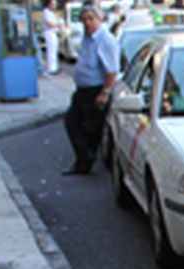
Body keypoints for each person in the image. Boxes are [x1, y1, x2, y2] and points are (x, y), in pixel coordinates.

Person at [63, 3, 119, 175]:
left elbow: (112, 70)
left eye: (90, 19)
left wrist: (105, 92)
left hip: (95, 91)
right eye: (84, 19)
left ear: (99, 19)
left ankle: (85, 161)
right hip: (82, 90)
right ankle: (84, 158)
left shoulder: (105, 40)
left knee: (90, 129)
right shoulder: (87, 38)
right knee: (71, 122)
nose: (87, 23)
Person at [39, 0, 60, 75]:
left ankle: (55, 67)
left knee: (55, 50)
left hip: (54, 32)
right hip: (49, 32)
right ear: (49, 4)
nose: (55, 6)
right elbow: (49, 24)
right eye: (54, 4)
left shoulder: (52, 12)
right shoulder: (46, 12)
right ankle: (51, 68)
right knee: (51, 50)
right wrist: (58, 26)